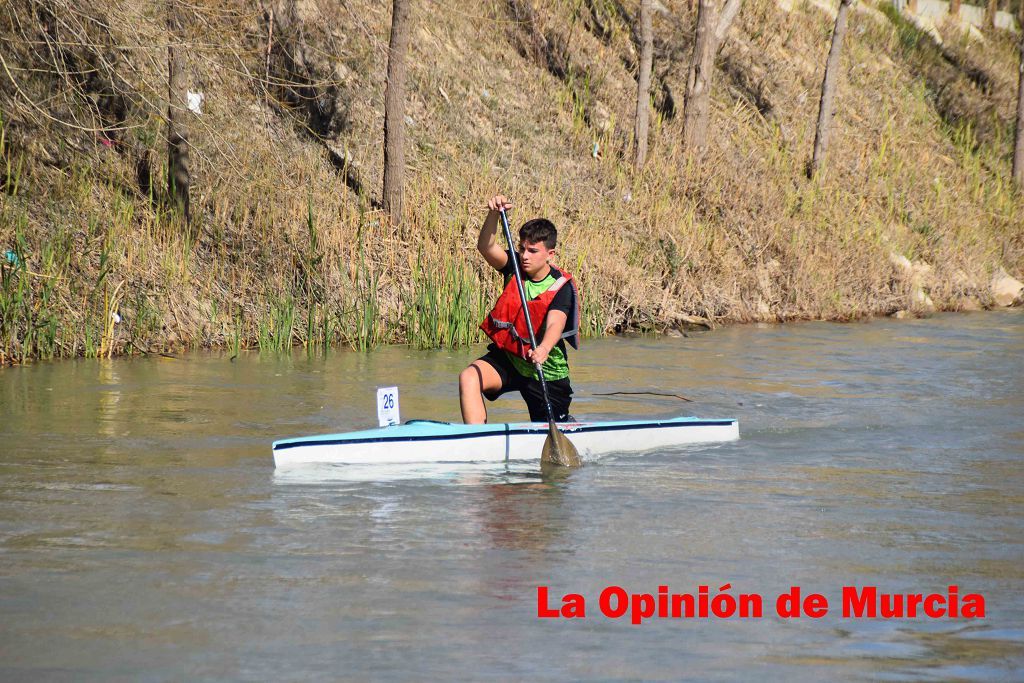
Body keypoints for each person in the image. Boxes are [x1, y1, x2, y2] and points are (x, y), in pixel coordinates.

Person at [459, 194, 581, 424]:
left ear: (550, 255)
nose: (524, 256)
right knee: (469, 377)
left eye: (533, 251)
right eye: (522, 249)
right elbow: (485, 247)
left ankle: (566, 423)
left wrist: (544, 348)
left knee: (549, 428)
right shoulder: (513, 266)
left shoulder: (560, 287)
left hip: (546, 370)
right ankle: (477, 442)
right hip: (513, 359)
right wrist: (494, 213)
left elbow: (556, 323)